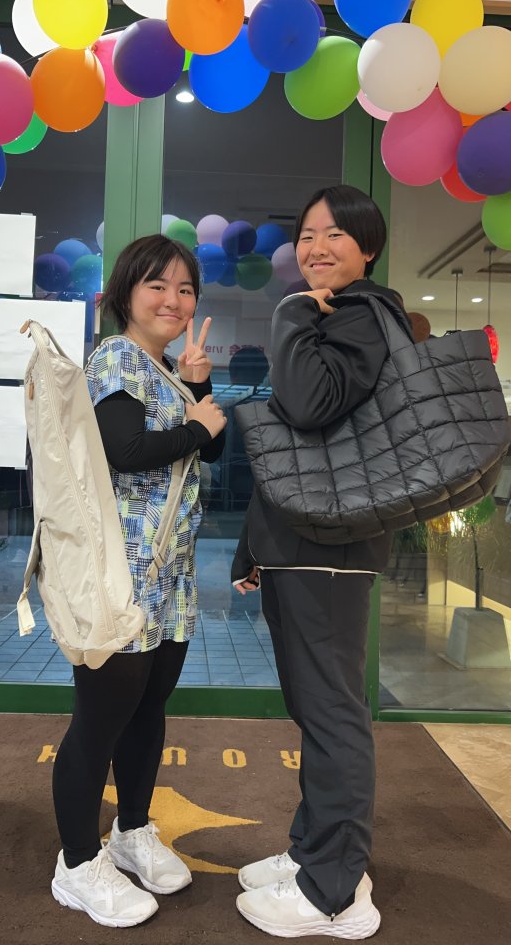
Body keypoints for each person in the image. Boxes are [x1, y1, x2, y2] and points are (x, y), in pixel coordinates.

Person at [232, 185, 407, 939]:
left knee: (333, 714)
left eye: (336, 234)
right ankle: (316, 851)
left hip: (328, 548)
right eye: (307, 234)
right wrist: (256, 548)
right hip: (307, 544)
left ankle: (335, 891)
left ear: (368, 247)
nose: (316, 247)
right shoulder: (333, 317)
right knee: (318, 710)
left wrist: (289, 314)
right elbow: (300, 447)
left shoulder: (361, 314)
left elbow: (303, 406)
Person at [50, 234, 226, 928]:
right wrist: (196, 424)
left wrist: (200, 384)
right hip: (121, 576)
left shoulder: (167, 370)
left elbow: (212, 442)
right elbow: (124, 451)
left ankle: (130, 830)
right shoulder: (115, 359)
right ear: (125, 293)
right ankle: (75, 863)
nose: (174, 300)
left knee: (148, 711)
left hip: (170, 577)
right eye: (158, 285)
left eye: (185, 289)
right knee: (100, 721)